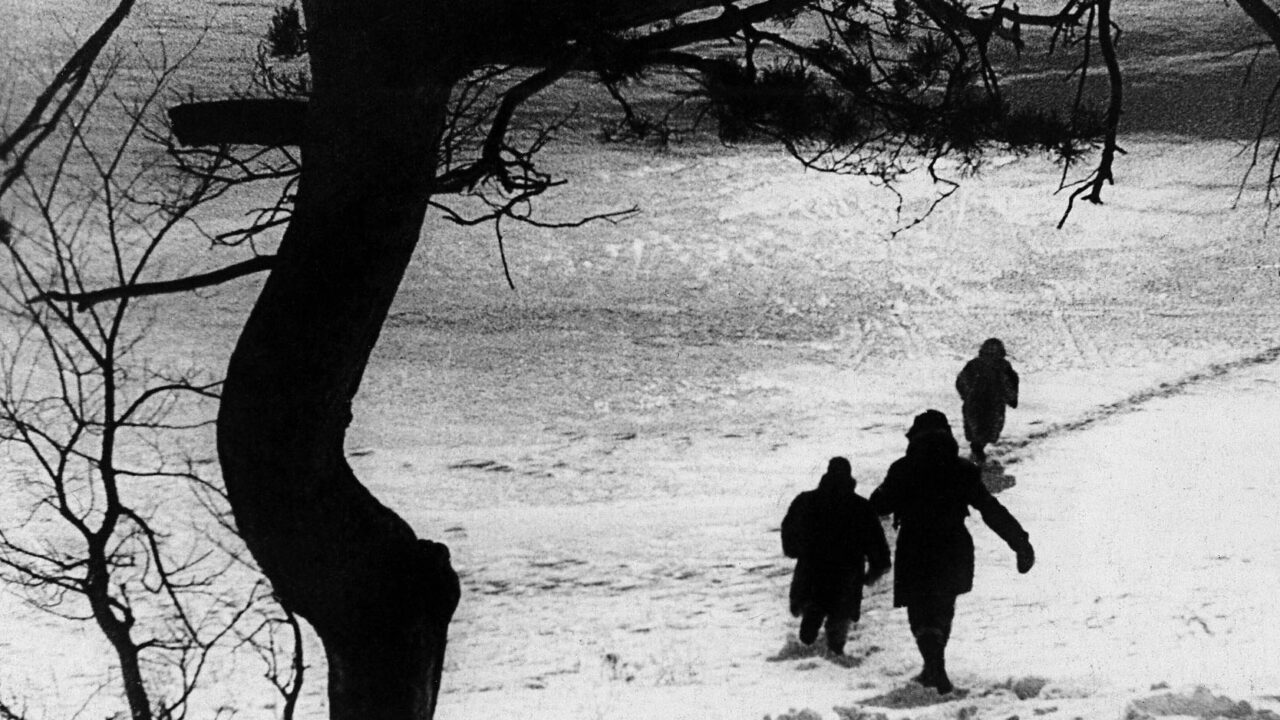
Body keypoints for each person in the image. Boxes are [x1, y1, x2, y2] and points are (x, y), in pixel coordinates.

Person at [870, 411, 1034, 694]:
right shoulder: (962, 469)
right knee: (943, 608)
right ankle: (934, 666)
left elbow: (879, 504)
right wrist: (1020, 543)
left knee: (920, 611)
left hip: (915, 546)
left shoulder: (903, 468)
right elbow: (989, 509)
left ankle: (933, 665)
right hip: (953, 546)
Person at [782, 457, 891, 656]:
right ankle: (835, 650)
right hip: (846, 576)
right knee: (840, 618)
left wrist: (794, 550)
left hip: (811, 571)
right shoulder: (861, 507)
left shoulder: (805, 501)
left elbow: (789, 531)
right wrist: (875, 570)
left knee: (813, 603)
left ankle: (811, 618)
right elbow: (877, 545)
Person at [955, 338, 1020, 463]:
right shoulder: (1002, 366)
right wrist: (1011, 398)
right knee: (988, 429)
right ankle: (978, 450)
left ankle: (977, 449)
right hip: (990, 404)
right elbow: (1009, 382)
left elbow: (961, 382)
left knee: (978, 429)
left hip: (978, 403)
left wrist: (966, 395)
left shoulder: (975, 364)